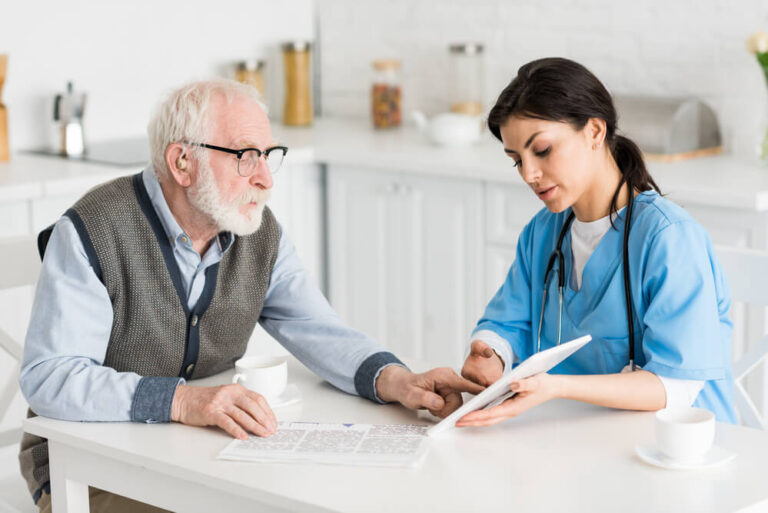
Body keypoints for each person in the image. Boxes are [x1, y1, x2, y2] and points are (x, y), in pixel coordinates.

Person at [18, 79, 482, 512]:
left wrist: (396, 380)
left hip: (202, 456)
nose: (265, 178)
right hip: (89, 467)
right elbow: (50, 377)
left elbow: (317, 328)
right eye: (245, 156)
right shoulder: (92, 230)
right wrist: (183, 402)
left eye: (267, 155)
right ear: (182, 162)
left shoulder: (257, 233)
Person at [458, 57, 736, 429]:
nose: (529, 174)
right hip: (584, 441)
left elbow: (676, 386)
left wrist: (555, 387)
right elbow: (509, 323)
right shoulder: (543, 233)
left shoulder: (669, 239)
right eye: (516, 160)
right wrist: (489, 351)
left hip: (681, 452)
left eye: (541, 150)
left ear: (594, 132)